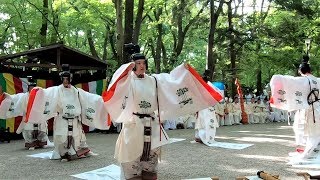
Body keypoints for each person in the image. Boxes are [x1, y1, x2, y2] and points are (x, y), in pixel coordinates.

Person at [103, 52, 223, 180]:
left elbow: (171, 81)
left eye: (143, 63)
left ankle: (149, 174)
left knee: (152, 153)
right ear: (132, 66)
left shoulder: (154, 80)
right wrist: (125, 70)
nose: (142, 66)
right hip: (134, 122)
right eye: (138, 64)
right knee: (132, 154)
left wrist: (183, 70)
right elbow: (116, 84)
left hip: (151, 122)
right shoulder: (128, 81)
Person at [24, 65, 109, 162]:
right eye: (63, 79)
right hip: (62, 118)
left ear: (70, 79)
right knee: (62, 137)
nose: (65, 81)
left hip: (74, 119)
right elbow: (46, 94)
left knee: (78, 136)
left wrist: (103, 100)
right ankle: (64, 154)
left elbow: (89, 98)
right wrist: (37, 92)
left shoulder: (76, 91)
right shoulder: (56, 90)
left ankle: (83, 151)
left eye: (67, 79)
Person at [270, 55, 320, 164]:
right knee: (313, 131)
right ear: (310, 70)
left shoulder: (302, 81)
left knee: (302, 129)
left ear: (300, 71)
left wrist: (276, 82)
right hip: (317, 108)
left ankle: (307, 151)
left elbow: (286, 81)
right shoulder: (318, 80)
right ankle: (309, 150)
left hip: (306, 109)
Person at [0, 76, 53, 150]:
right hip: (28, 118)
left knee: (42, 130)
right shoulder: (24, 96)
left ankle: (42, 142)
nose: (31, 89)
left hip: (39, 118)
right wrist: (6, 97)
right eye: (30, 88)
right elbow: (15, 98)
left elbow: (47, 104)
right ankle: (31, 143)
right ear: (28, 88)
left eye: (33, 88)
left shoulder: (41, 96)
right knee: (28, 130)